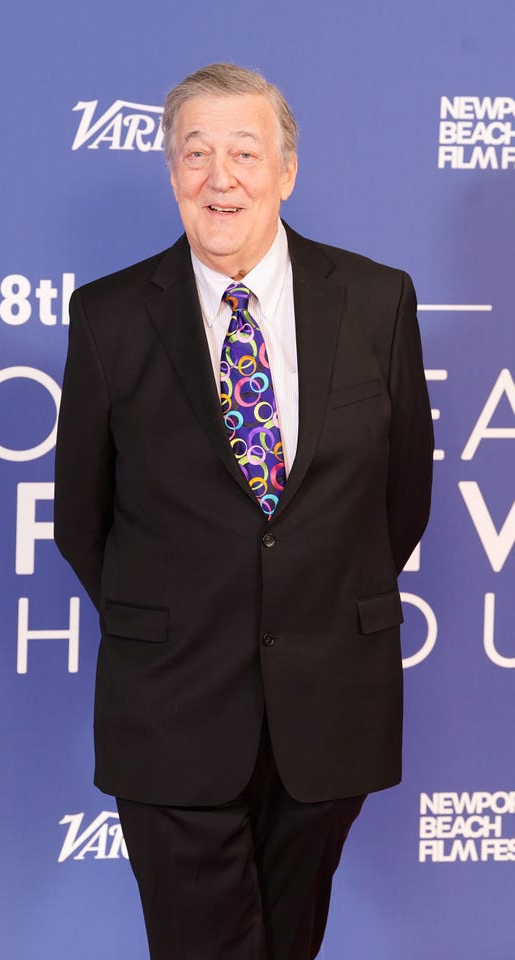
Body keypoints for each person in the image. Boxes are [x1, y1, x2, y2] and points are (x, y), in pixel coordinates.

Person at [54, 63, 434, 960]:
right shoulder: (108, 316)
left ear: (286, 170)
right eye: (195, 154)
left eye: (243, 152)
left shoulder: (377, 301)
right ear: (171, 172)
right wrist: (183, 626)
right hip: (173, 709)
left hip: (329, 709)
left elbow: (400, 500)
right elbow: (84, 518)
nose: (218, 178)